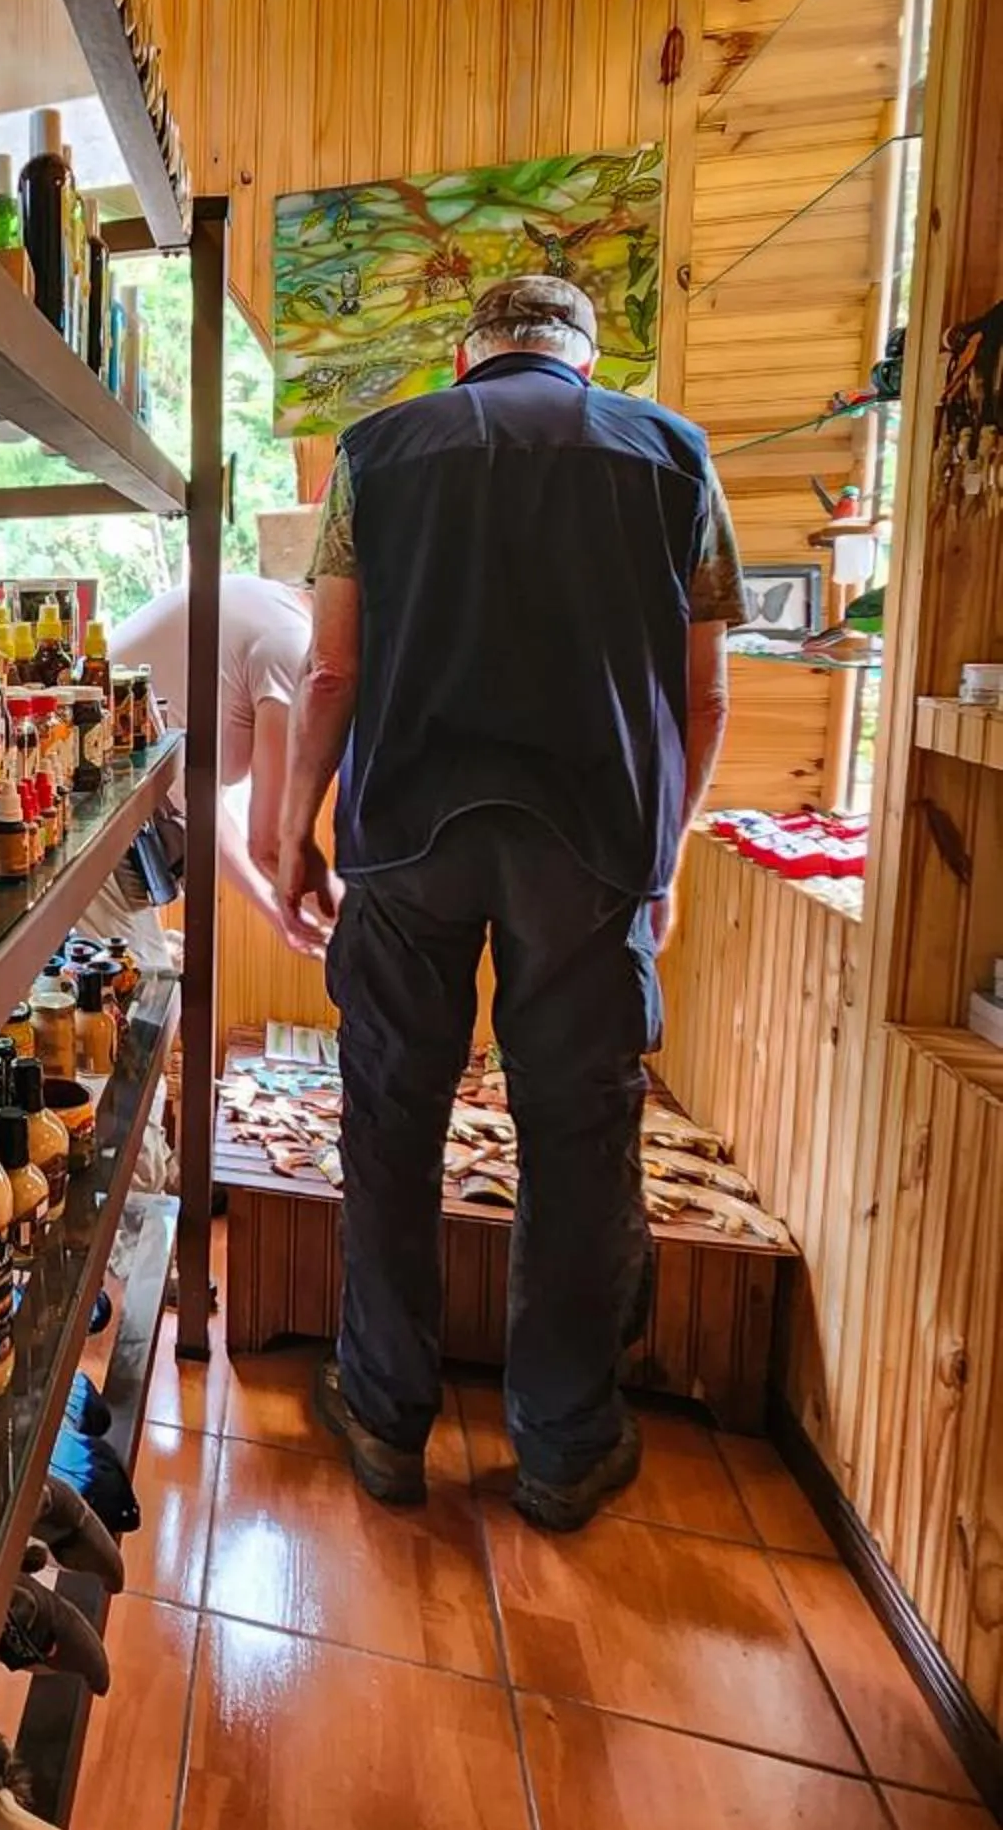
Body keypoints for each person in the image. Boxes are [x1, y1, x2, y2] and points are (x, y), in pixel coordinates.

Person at [272, 272, 744, 1532]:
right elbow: (704, 700)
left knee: (389, 1116)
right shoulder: (676, 458)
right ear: (584, 358)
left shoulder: (378, 452)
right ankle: (564, 1446)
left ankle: (381, 1414)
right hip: (594, 851)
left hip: (405, 838)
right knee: (580, 1145)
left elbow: (331, 670)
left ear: (466, 354)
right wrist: (667, 858)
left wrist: (290, 834)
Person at [78, 572, 312, 961]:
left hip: (122, 823)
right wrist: (312, 917)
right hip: (88, 815)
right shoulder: (292, 645)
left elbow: (199, 791)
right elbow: (267, 841)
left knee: (149, 974)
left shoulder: (271, 605)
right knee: (143, 1000)